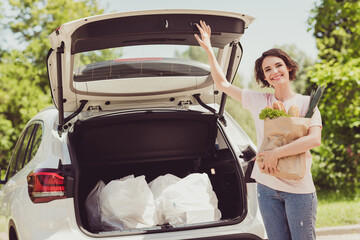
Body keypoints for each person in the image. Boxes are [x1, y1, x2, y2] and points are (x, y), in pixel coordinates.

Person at [195, 20, 322, 240]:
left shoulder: (306, 103)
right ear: (264, 77)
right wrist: (208, 49)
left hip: (299, 189)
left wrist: (275, 154)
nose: (274, 71)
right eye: (267, 69)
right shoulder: (258, 100)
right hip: (267, 188)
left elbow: (314, 140)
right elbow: (222, 84)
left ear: (288, 67)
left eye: (278, 65)